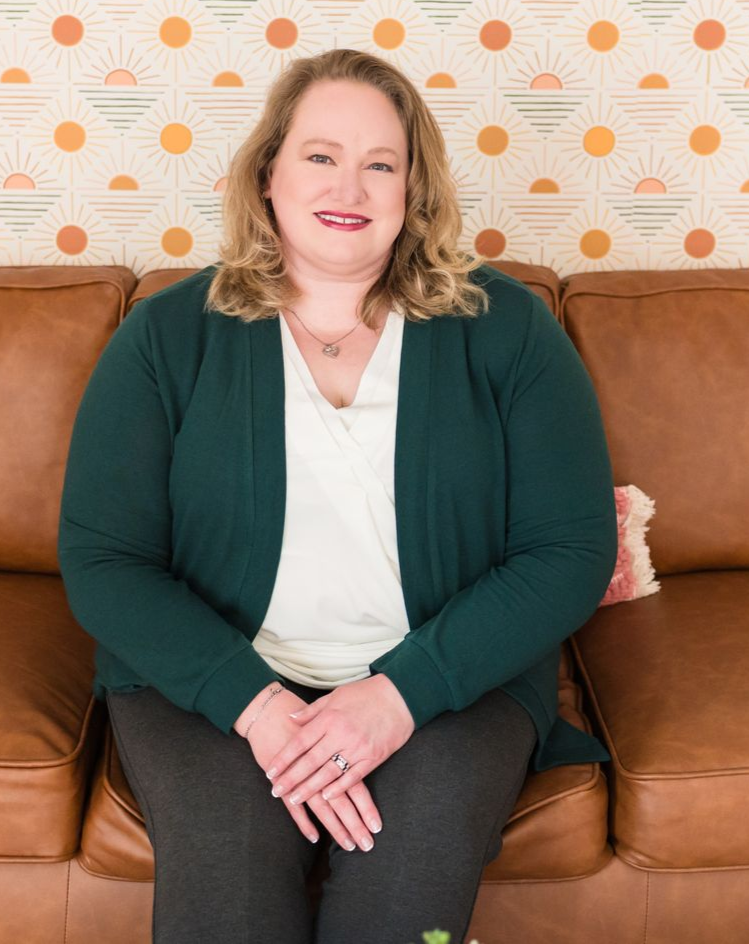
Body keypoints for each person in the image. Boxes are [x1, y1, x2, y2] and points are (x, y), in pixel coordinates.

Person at [58, 48, 618, 943]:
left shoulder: (507, 330)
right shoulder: (166, 337)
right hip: (211, 687)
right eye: (320, 154)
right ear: (268, 173)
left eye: (380, 163)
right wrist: (261, 706)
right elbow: (104, 562)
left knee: (403, 903)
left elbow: (568, 550)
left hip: (450, 685)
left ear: (413, 191)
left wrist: (398, 695)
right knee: (229, 895)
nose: (348, 184)